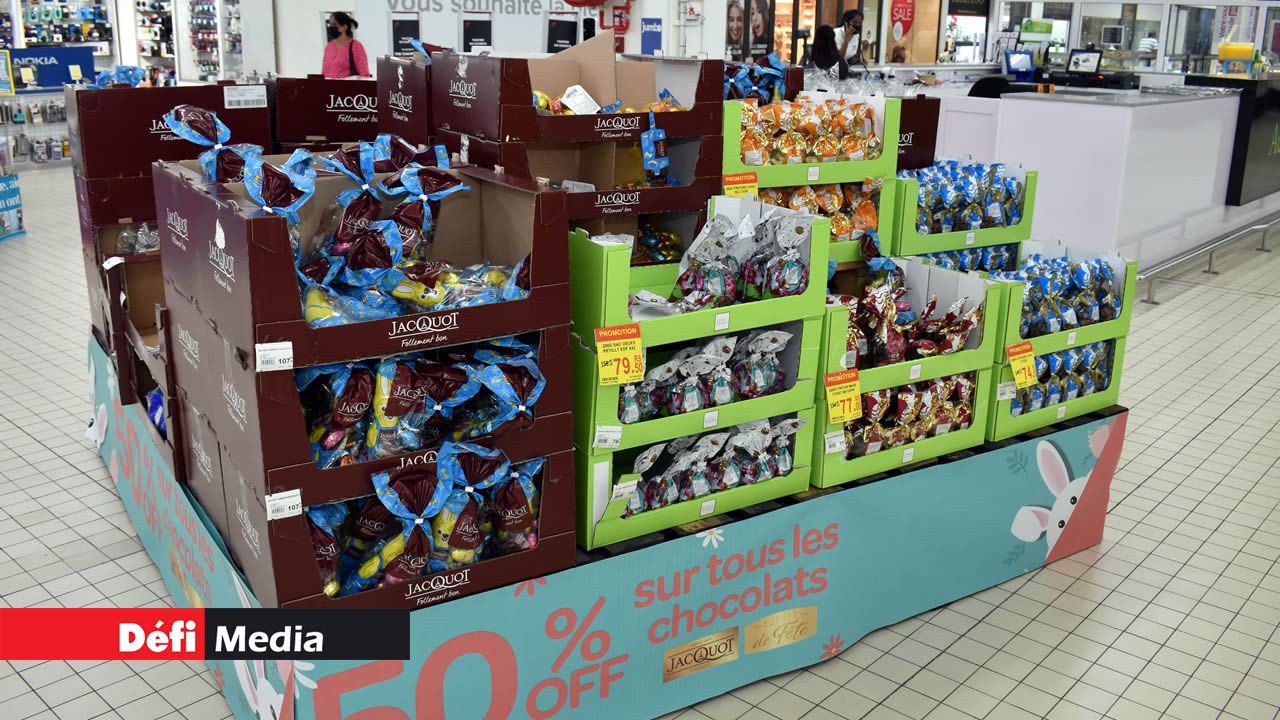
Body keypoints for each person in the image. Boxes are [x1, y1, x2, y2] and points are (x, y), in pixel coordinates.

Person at [322, 11, 370, 79]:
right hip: (328, 85)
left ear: (345, 27)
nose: (331, 27)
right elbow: (324, 72)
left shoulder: (355, 46)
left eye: (334, 24)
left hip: (347, 85)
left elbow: (363, 73)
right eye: (330, 24)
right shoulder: (329, 46)